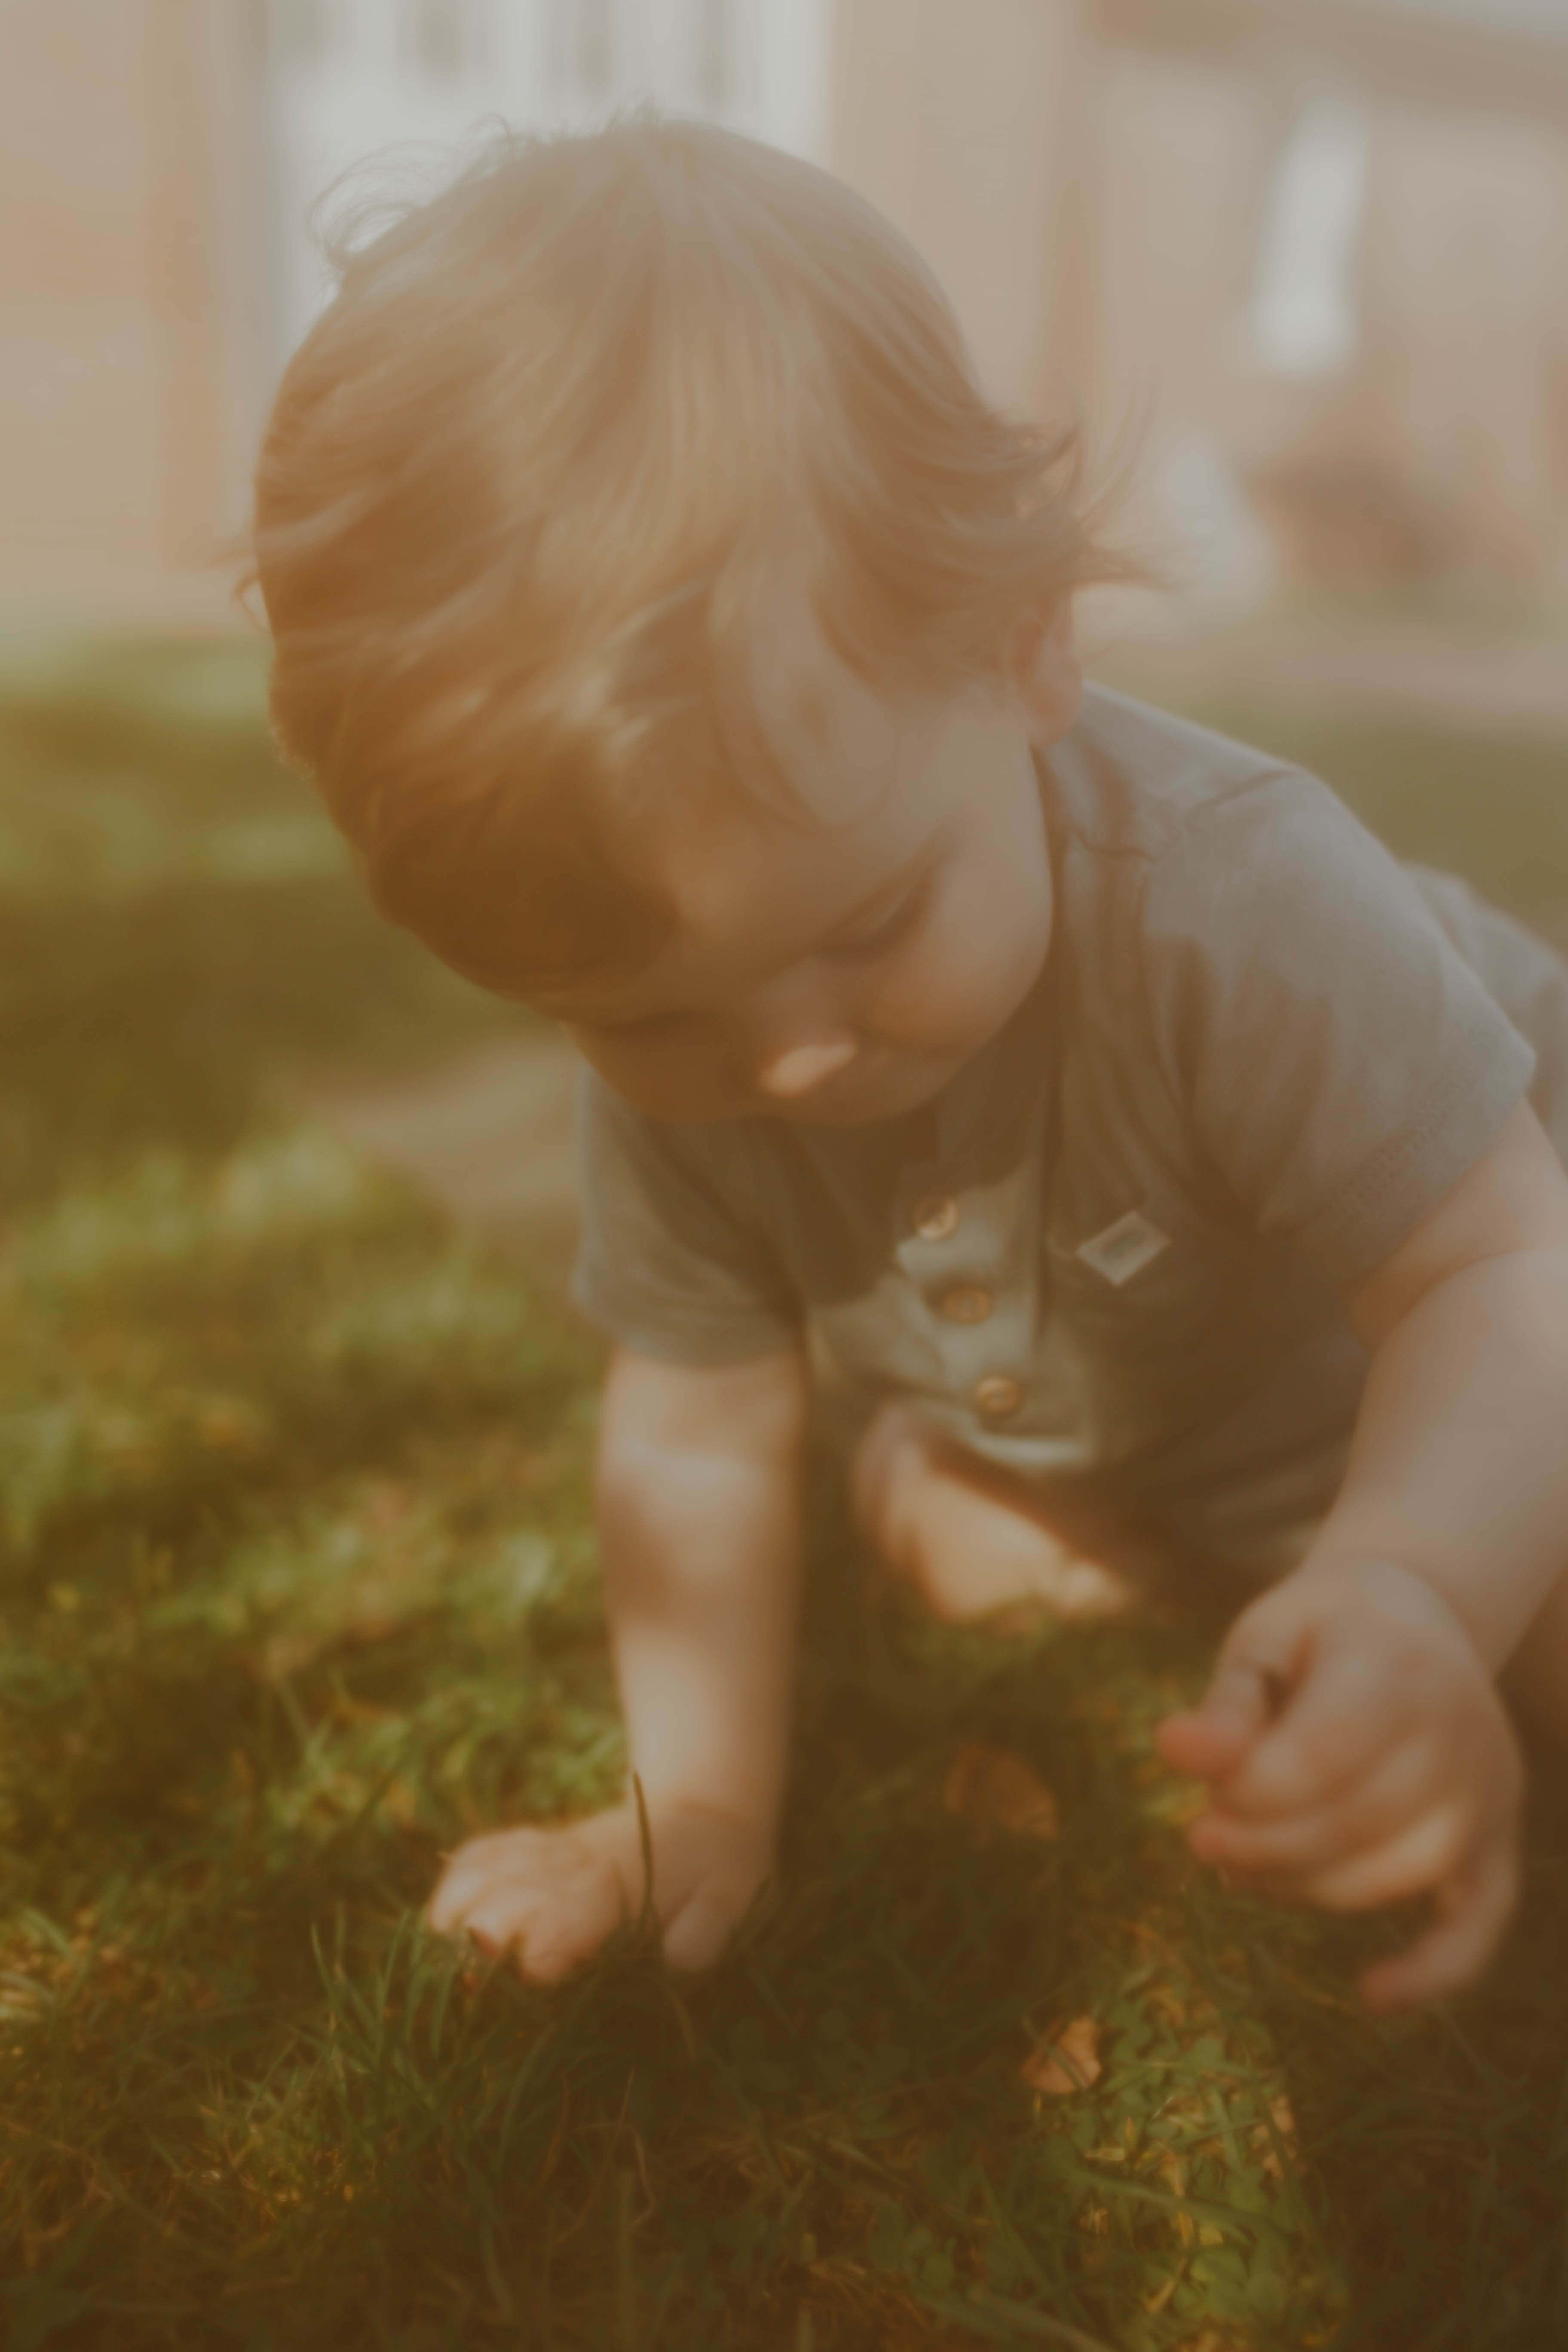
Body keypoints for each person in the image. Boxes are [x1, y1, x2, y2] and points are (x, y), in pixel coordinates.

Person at [249, 116, 1568, 2015]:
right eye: (646, 1013)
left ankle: (1075, 1508)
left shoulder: (1240, 906)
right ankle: (982, 1488)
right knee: (1080, 1554)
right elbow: (696, 1428)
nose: (786, 1056)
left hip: (1490, 1260)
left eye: (868, 925)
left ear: (1028, 649)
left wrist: (1430, 1588)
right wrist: (692, 1807)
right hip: (1197, 1408)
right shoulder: (705, 1052)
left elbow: (1495, 1272)